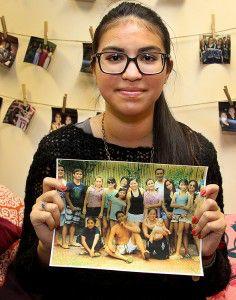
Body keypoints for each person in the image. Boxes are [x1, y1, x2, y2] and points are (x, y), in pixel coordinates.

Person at [12, 2, 230, 299]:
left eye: (148, 57)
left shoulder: (197, 152)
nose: (131, 73)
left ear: (167, 69)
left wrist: (206, 256)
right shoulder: (56, 148)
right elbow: (27, 280)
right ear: (94, 65)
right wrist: (45, 247)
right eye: (115, 57)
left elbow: (215, 283)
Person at [62, 169, 86, 249]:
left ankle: (71, 241)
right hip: (70, 207)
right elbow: (66, 195)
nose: (79, 175)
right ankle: (63, 242)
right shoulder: (69, 184)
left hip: (78, 208)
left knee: (74, 224)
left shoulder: (83, 185)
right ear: (73, 175)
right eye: (77, 174)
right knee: (67, 223)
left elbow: (83, 197)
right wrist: (71, 206)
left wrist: (82, 208)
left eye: (80, 174)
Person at [170, 179, 192, 259]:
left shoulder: (189, 195)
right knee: (176, 233)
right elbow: (171, 204)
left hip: (183, 216)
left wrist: (178, 205)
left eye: (185, 185)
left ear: (187, 186)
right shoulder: (176, 193)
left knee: (180, 233)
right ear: (179, 185)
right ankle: (176, 251)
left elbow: (188, 207)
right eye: (181, 184)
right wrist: (181, 206)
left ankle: (177, 253)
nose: (183, 186)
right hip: (175, 215)